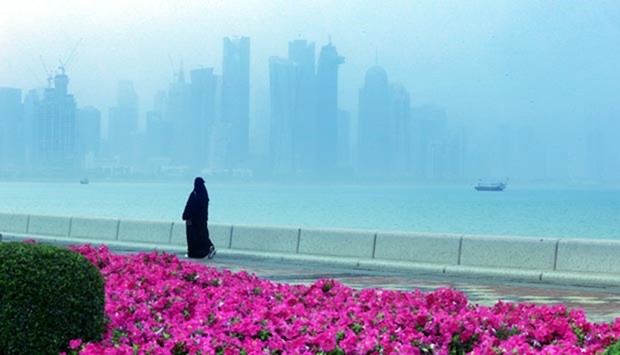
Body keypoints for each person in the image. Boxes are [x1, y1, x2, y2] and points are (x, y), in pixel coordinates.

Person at [182, 177, 216, 259]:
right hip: (202, 220)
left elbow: (189, 206)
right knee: (202, 235)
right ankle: (208, 248)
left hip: (193, 221)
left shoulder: (194, 194)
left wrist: (185, 216)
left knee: (193, 237)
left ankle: (195, 253)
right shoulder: (204, 194)